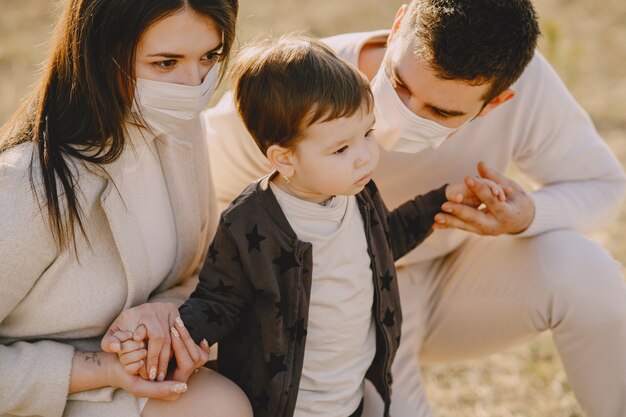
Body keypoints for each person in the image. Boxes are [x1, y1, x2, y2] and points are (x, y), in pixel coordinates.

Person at [201, 1, 626, 417]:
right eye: (400, 83)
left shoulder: (529, 87)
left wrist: (529, 214)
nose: (405, 113)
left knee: (587, 273)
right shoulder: (296, 86)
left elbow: (602, 185)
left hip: (454, 278)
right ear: (400, 21)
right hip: (330, 305)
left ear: (496, 102)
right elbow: (206, 195)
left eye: (442, 111)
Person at [117, 34, 506, 417]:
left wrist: (442, 200)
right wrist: (170, 342)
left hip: (351, 394)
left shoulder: (359, 194)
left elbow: (385, 240)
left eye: (367, 133)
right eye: (341, 149)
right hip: (284, 403)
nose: (364, 158)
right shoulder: (251, 223)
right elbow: (219, 301)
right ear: (284, 158)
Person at [0, 1, 252, 416]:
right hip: (54, 394)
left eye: (209, 56)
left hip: (144, 380)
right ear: (102, 54)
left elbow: (198, 271)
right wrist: (103, 368)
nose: (193, 85)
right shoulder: (28, 187)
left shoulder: (179, 130)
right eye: (166, 63)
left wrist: (168, 317)